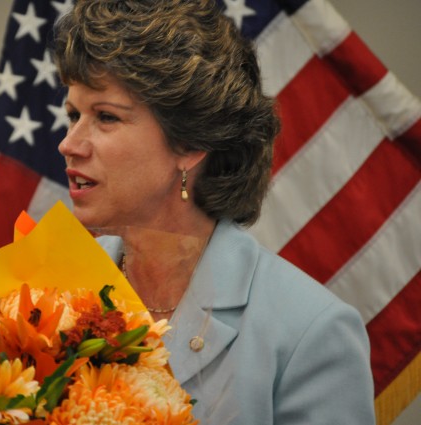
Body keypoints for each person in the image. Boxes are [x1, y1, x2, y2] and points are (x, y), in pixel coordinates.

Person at [53, 0, 375, 423]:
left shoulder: (310, 332)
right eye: (73, 115)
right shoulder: (52, 293)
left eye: (106, 117)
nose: (69, 144)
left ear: (189, 144)